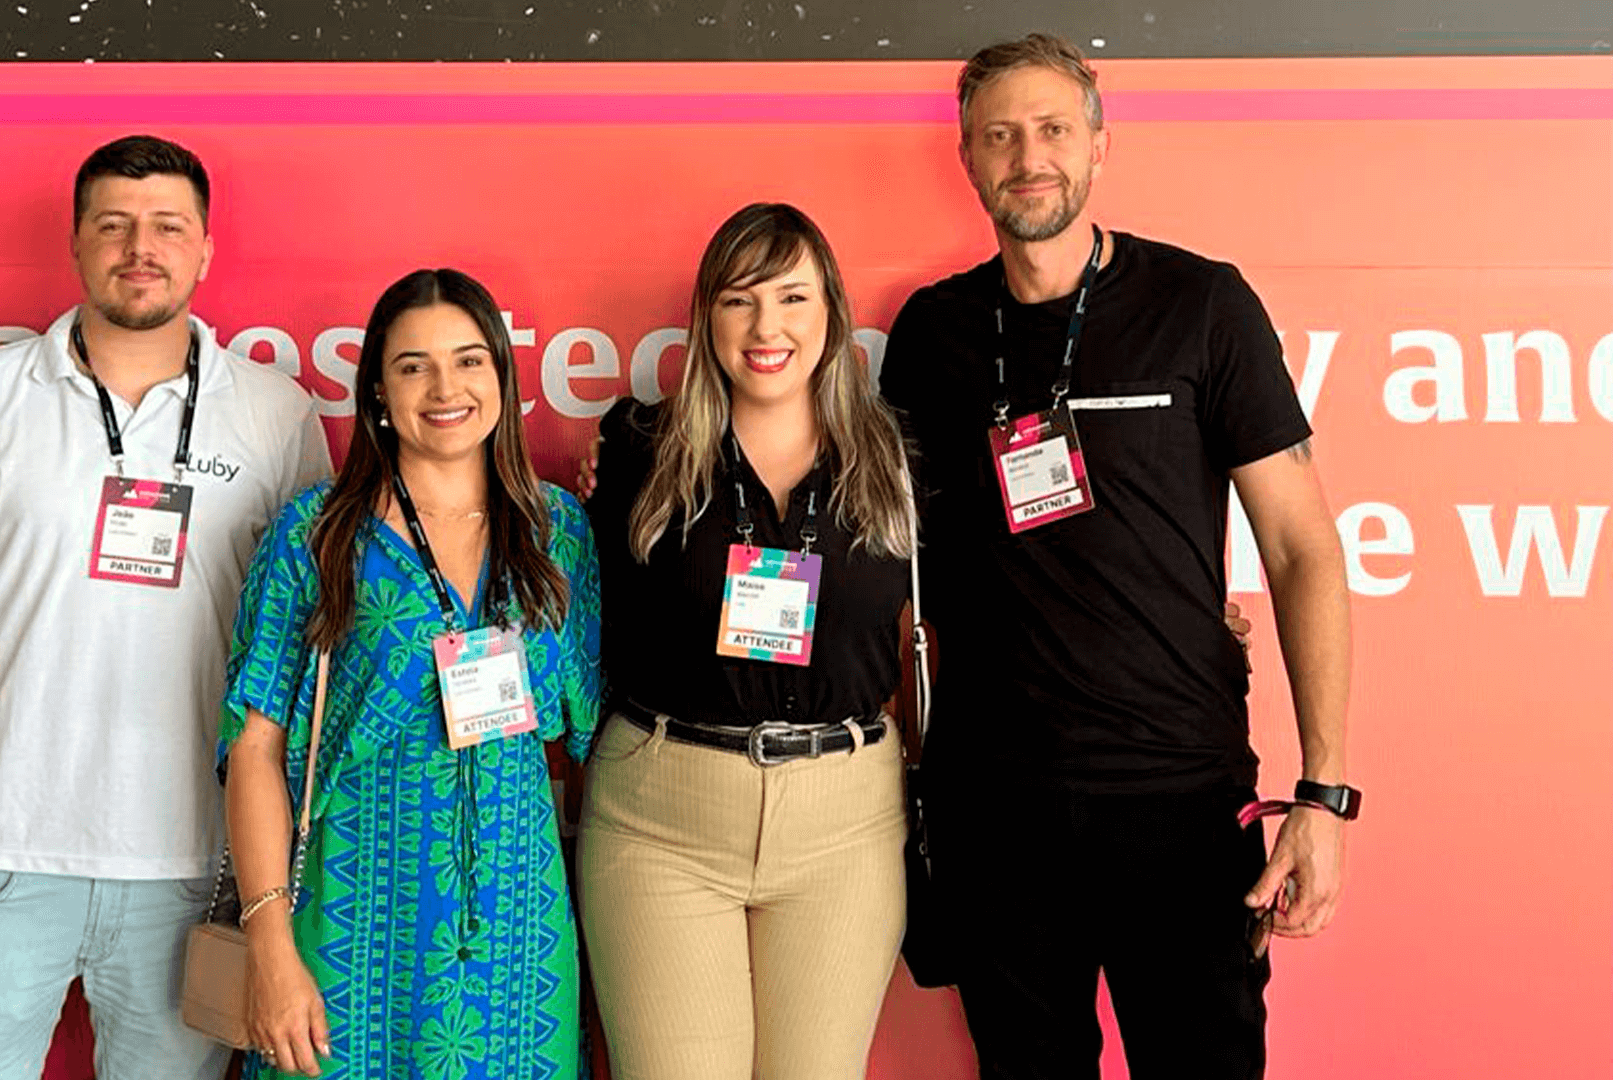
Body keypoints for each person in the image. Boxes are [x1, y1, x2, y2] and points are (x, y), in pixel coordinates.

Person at [878, 33, 1357, 1080]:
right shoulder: (931, 334)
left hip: (1180, 802)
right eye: (999, 135)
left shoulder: (1202, 305)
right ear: (966, 157)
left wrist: (1324, 795)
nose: (1027, 155)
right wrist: (633, 449)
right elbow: (867, 532)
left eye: (1052, 128)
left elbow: (1302, 546)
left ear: (1098, 143)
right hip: (995, 810)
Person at [0, 134, 331, 1079]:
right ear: (76, 242)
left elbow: (308, 644)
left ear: (204, 248)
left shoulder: (277, 416)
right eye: (113, 225)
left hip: (195, 866)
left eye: (165, 227)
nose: (138, 248)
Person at [220, 268, 603, 1079]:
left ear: (502, 375)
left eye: (469, 361)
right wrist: (271, 944)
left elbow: (584, 735)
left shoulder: (557, 529)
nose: (444, 387)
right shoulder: (317, 536)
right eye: (412, 366)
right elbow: (254, 748)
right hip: (349, 924)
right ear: (377, 393)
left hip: (513, 941)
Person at [578, 203, 916, 1080]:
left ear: (832, 315)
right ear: (706, 318)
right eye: (740, 300)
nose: (768, 327)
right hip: (662, 820)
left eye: (793, 298)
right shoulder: (635, 449)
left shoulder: (899, 458)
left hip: (844, 826)